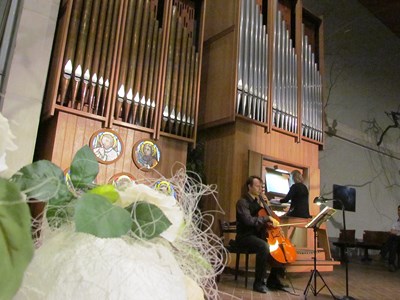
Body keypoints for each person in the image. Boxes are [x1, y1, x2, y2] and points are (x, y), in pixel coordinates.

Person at [235, 175, 286, 293]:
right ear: (249, 186)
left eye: (261, 187)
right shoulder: (242, 202)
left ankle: (273, 279)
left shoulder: (259, 203)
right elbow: (248, 221)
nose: (260, 189)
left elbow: (266, 218)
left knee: (279, 247)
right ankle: (258, 283)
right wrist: (266, 218)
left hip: (257, 235)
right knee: (263, 246)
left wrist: (267, 207)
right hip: (244, 236)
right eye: (257, 186)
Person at [386, 205, 400, 272]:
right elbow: (391, 231)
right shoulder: (396, 222)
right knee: (393, 241)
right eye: (399, 210)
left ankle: (383, 253)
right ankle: (391, 264)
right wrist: (398, 232)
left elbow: (393, 231)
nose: (399, 212)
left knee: (393, 238)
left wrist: (396, 232)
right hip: (397, 241)